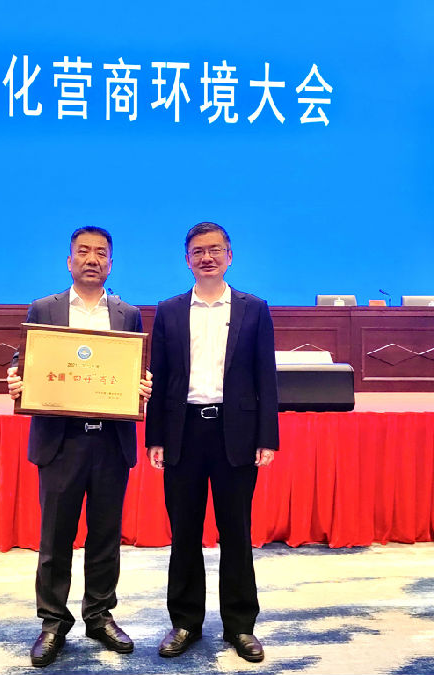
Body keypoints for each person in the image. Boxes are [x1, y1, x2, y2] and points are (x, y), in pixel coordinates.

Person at [6, 226, 151, 668]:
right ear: (69, 261)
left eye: (101, 253)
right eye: (83, 252)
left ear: (111, 263)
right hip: (61, 441)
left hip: (110, 441)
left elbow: (136, 367)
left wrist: (142, 385)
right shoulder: (44, 308)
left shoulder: (128, 314)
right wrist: (17, 378)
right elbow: (25, 358)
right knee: (56, 538)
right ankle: (53, 622)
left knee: (105, 536)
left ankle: (99, 616)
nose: (92, 259)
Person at [145, 222, 279, 663]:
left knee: (236, 533)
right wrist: (155, 436)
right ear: (187, 259)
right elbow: (160, 377)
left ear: (229, 256)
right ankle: (185, 622)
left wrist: (267, 436)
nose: (207, 257)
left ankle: (240, 626)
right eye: (199, 251)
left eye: (215, 250)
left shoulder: (253, 309)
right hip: (183, 432)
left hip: (234, 433)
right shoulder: (168, 311)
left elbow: (265, 377)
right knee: (184, 533)